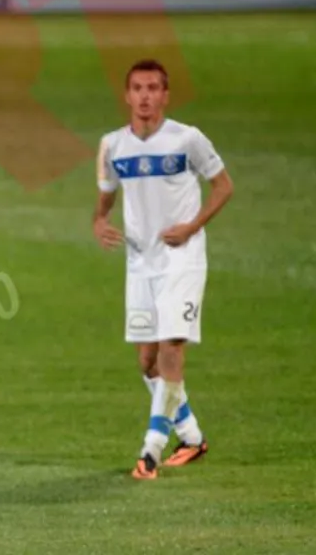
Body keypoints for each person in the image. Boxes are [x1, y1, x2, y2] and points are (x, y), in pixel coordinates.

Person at [93, 59, 234, 480]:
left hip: (183, 260)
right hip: (140, 263)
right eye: (137, 88)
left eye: (153, 88)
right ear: (127, 95)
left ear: (165, 95)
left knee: (172, 349)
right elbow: (103, 203)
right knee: (148, 362)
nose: (145, 96)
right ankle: (191, 437)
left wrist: (192, 226)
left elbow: (223, 185)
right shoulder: (112, 145)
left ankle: (150, 451)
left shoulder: (186, 139)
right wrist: (100, 224)